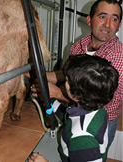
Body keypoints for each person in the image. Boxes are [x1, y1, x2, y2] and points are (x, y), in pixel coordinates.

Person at [32, 0, 123, 149]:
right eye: (102, 16)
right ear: (89, 19)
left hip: (101, 120)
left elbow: (96, 101)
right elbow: (67, 74)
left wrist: (57, 93)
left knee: (84, 152)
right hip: (75, 110)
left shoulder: (118, 57)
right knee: (70, 148)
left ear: (118, 25)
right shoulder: (78, 46)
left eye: (114, 19)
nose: (107, 24)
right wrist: (39, 75)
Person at [29, 54, 118, 162]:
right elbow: (68, 116)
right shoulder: (96, 107)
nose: (65, 82)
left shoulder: (82, 137)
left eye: (67, 81)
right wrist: (48, 100)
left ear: (75, 96)